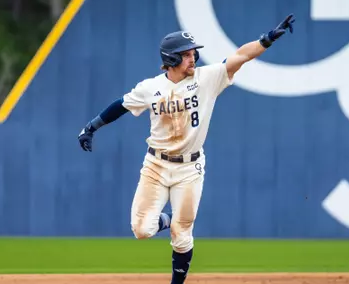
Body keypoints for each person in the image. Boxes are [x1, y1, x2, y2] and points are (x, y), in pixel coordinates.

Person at [78, 14, 295, 284]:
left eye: (193, 53)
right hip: (156, 166)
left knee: (182, 236)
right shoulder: (151, 88)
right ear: (170, 59)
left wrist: (267, 40)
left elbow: (240, 56)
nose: (193, 58)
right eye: (186, 54)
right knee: (142, 229)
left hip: (190, 169)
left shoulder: (207, 79)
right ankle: (167, 219)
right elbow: (121, 105)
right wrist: (91, 127)